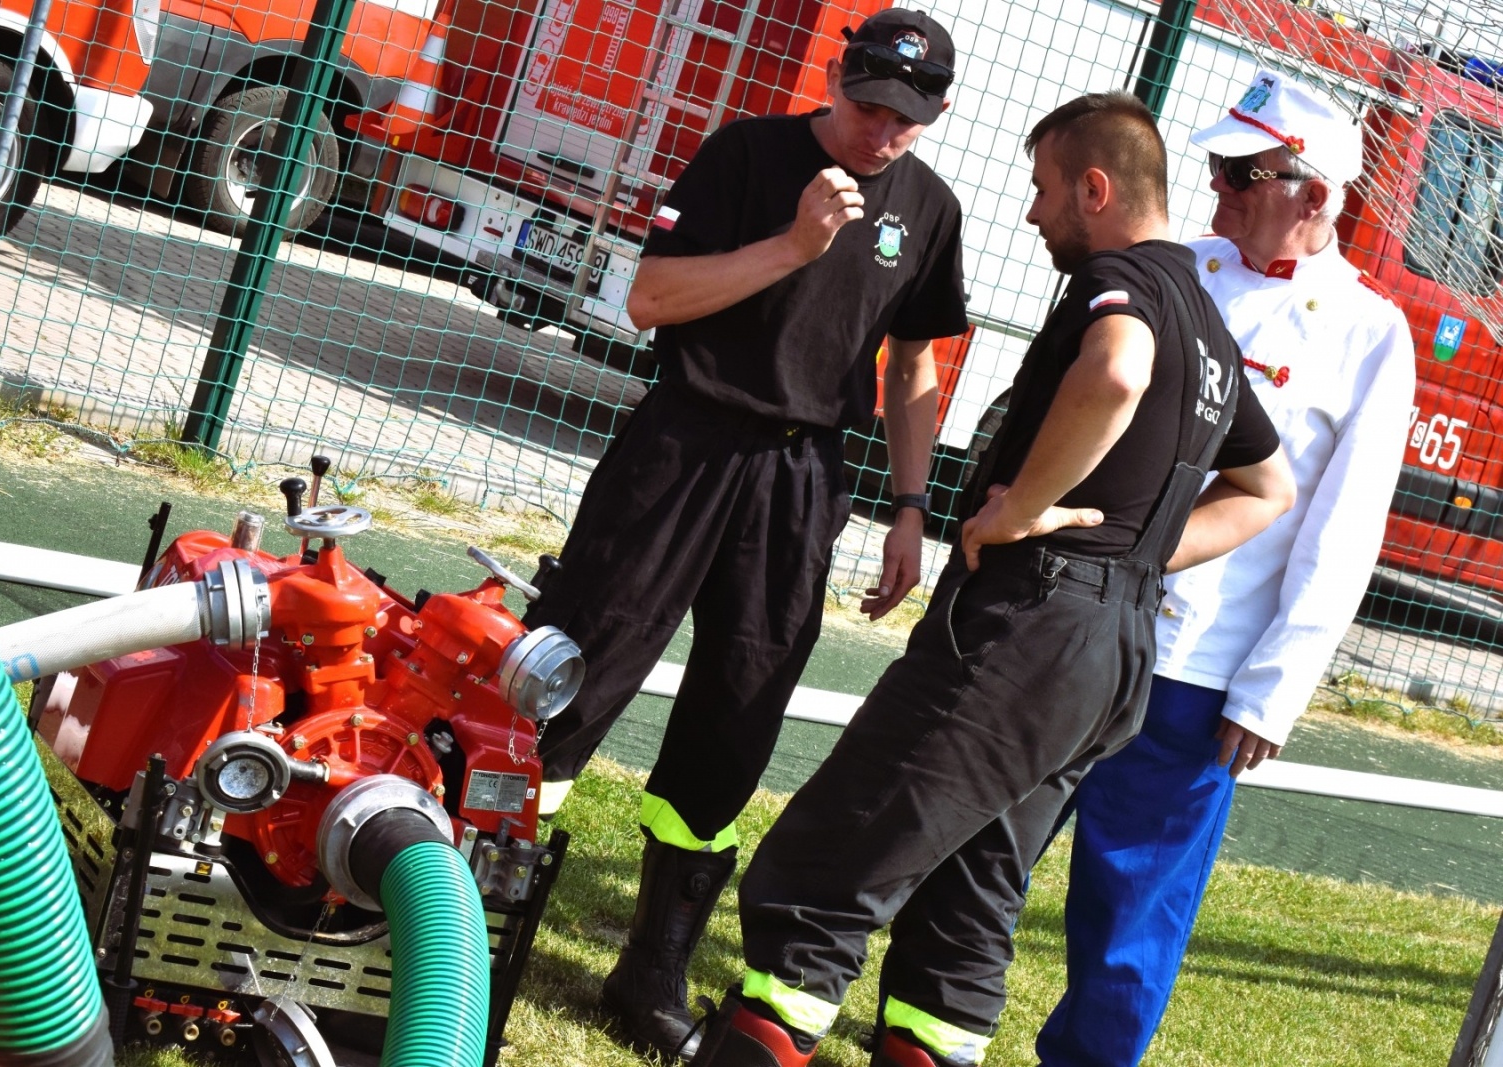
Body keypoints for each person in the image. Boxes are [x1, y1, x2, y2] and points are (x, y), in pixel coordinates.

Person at [687, 90, 1297, 1067]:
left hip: (1027, 630)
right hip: (1112, 651)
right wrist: (1136, 553)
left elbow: (1116, 372)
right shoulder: (1209, 325)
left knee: (821, 872)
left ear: (1095, 189)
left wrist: (1022, 508)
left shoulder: (1122, 285)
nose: (1032, 212)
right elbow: (1266, 486)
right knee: (967, 902)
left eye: (1044, 188)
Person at [520, 8, 971, 1059]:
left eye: (906, 119)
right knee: (576, 667)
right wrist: (794, 245)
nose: (881, 134)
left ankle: (649, 971)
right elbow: (650, 297)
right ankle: (474, 911)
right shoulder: (746, 154)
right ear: (837, 78)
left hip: (803, 478)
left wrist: (911, 508)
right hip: (685, 442)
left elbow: (913, 363)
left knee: (739, 713)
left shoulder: (929, 208)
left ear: (937, 113)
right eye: (869, 107)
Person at [1034, 71, 1416, 1067]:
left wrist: (1273, 688)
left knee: (1132, 902)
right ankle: (927, 1026)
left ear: (1315, 193)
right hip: (1079, 614)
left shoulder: (1370, 331)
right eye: (1215, 166)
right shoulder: (1179, 267)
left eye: (1243, 174)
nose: (1217, 188)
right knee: (987, 839)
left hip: (1198, 667)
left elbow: (1344, 530)